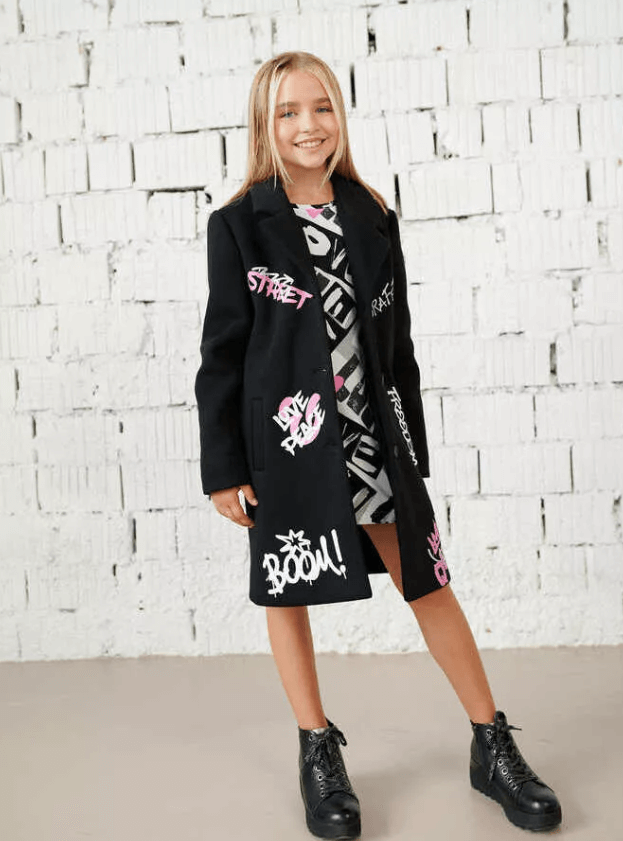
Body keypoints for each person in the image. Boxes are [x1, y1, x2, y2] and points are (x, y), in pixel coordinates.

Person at [195, 51, 562, 840]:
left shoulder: (369, 214)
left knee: (426, 580)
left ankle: (490, 741)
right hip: (287, 443)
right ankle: (316, 748)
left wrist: (412, 452)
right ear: (263, 124)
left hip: (373, 440)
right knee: (287, 590)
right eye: (288, 111)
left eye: (321, 106)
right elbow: (221, 354)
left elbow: (398, 346)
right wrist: (223, 468)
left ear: (340, 116)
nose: (308, 125)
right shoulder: (238, 226)